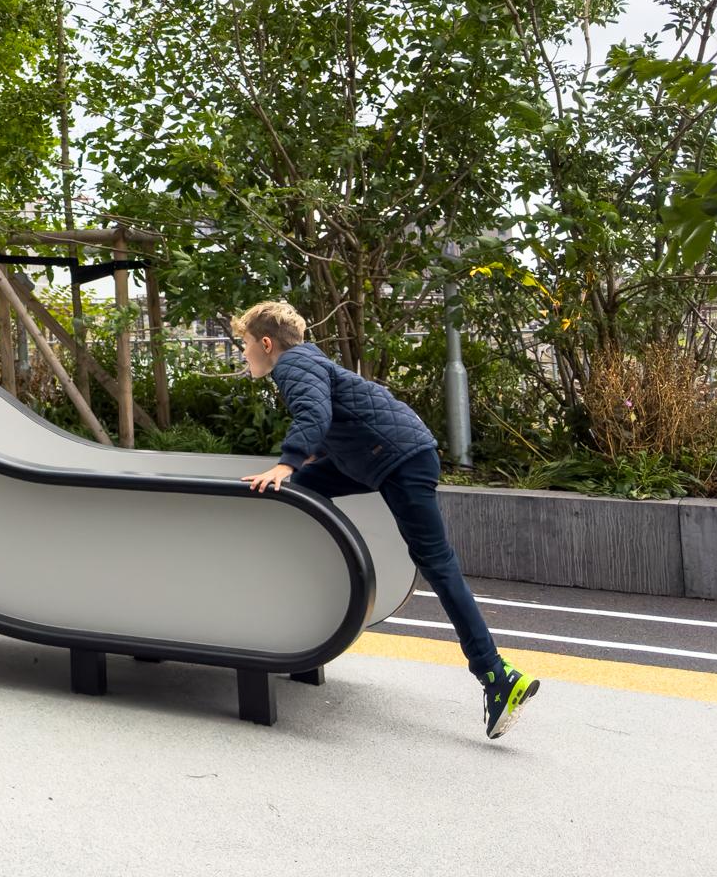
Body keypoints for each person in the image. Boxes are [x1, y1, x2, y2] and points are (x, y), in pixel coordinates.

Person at [231, 299, 540, 739]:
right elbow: (341, 418)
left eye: (244, 345)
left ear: (266, 343)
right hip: (383, 455)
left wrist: (287, 463)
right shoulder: (311, 359)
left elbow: (315, 415)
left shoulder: (293, 365)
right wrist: (302, 465)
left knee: (437, 563)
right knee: (302, 490)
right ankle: (310, 585)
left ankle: (496, 675)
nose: (243, 354)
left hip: (397, 459)